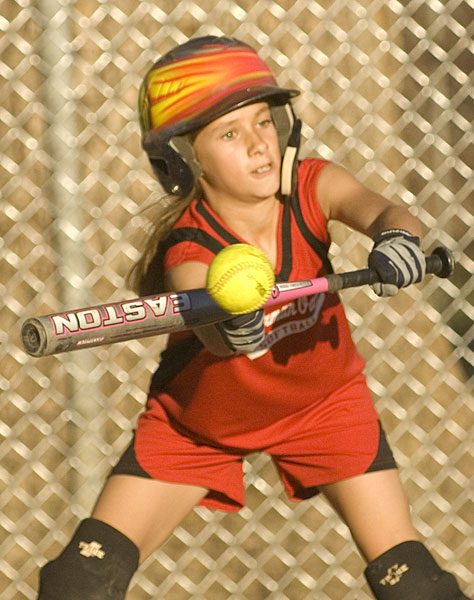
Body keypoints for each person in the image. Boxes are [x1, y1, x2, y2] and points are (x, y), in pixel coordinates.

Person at [36, 36, 470, 600]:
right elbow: (208, 322)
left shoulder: (311, 186)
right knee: (79, 582)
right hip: (199, 426)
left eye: (264, 121)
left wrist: (396, 239)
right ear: (185, 160)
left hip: (325, 408)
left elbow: (385, 209)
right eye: (229, 134)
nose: (259, 143)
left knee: (416, 585)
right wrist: (231, 327)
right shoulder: (190, 245)